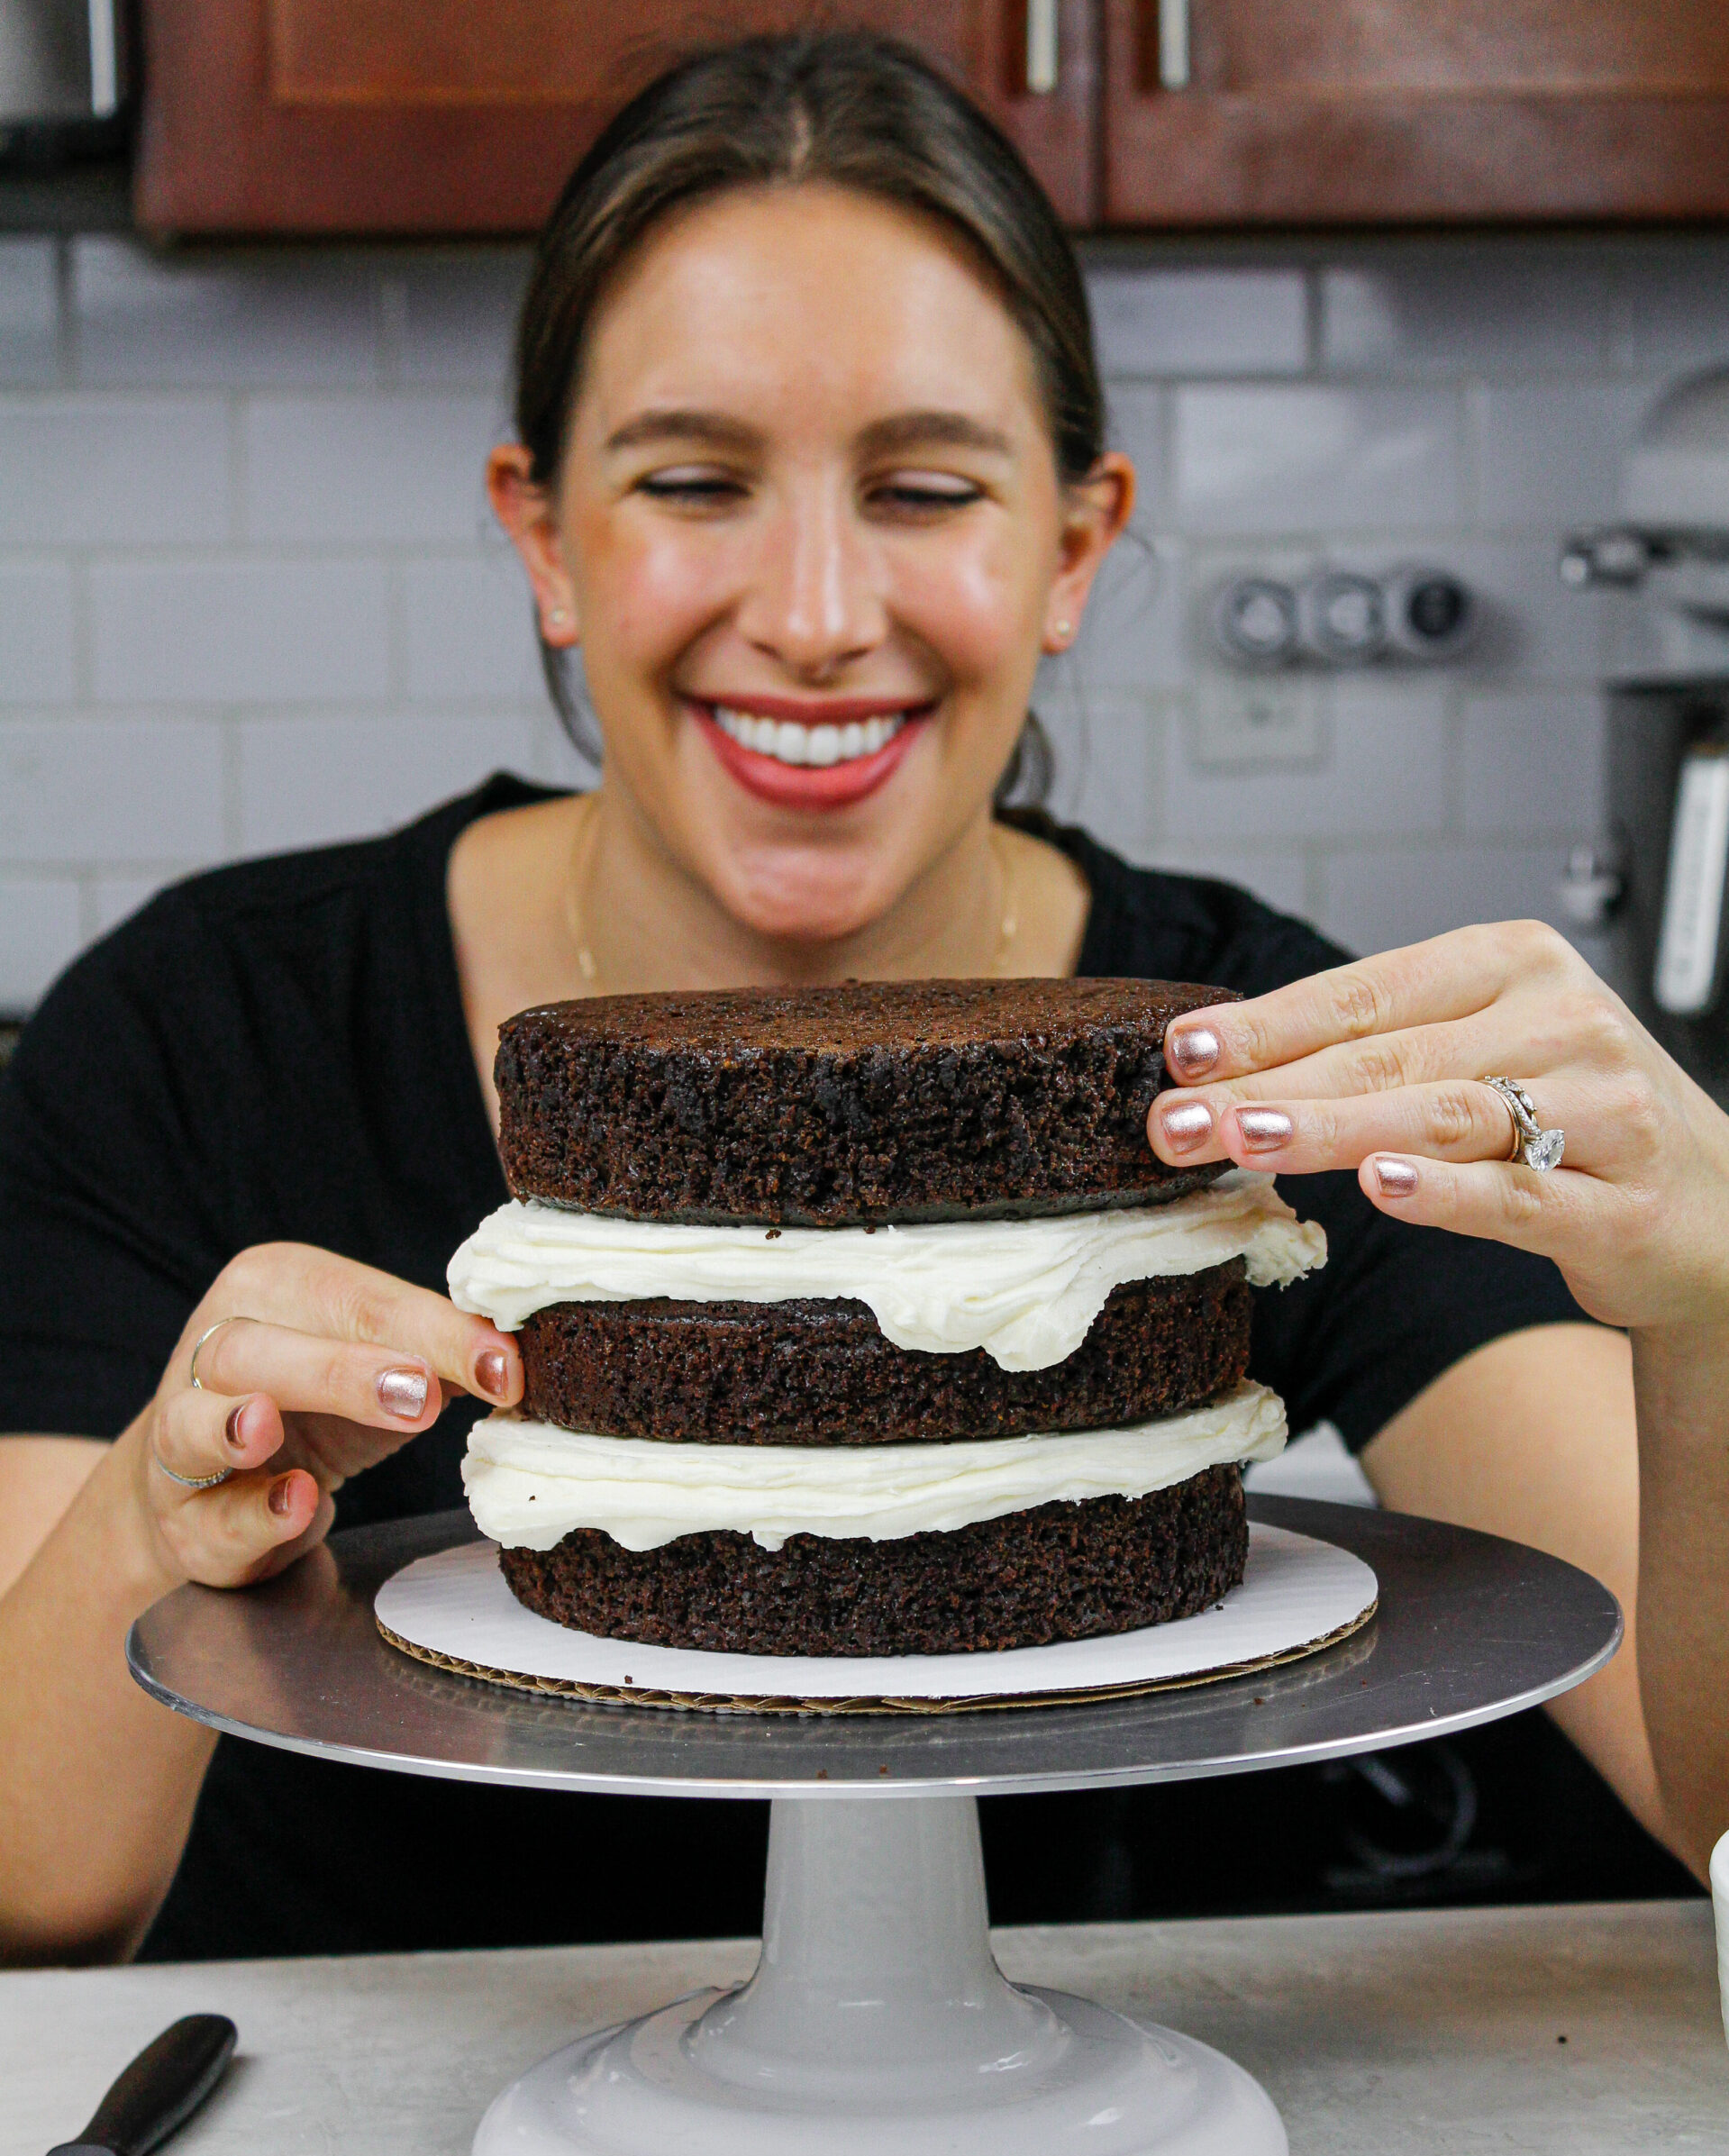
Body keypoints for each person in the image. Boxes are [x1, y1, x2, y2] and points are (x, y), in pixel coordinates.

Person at [1, 33, 1724, 1967]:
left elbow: (1708, 1789)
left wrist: (1712, 1299)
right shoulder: (200, 1029)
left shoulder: (1259, 1058)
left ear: (1071, 546)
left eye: (921, 486)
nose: (818, 609)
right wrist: (161, 1518)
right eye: (691, 479)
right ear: (546, 536)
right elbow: (27, 1894)